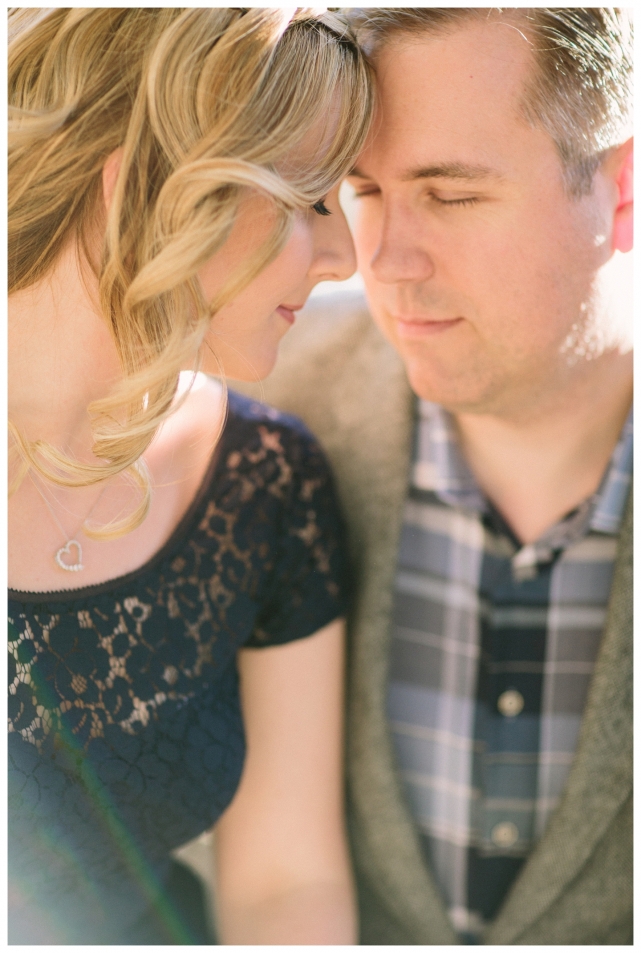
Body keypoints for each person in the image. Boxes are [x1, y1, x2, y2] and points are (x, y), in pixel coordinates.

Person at [247, 7, 633, 944]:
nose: (381, 260)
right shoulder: (270, 421)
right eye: (363, 192)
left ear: (622, 193)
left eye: (450, 195)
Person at [7, 7, 373, 944]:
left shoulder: (266, 483)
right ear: (144, 184)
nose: (342, 260)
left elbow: (285, 886)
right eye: (306, 201)